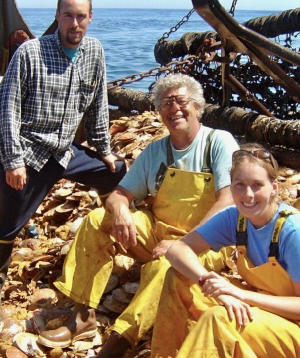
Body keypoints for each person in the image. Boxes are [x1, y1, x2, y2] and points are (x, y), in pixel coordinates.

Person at [37, 73, 239, 356]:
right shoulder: (156, 150)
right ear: (160, 113)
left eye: (181, 101)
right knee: (97, 219)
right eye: (166, 104)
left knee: (165, 267)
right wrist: (119, 209)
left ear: (197, 107)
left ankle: (119, 341)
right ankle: (83, 316)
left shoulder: (218, 142)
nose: (174, 109)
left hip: (207, 243)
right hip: (158, 235)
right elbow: (120, 194)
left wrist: (184, 244)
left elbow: (228, 202)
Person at [0, 0, 126, 295]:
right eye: (68, 16)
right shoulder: (30, 53)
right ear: (57, 16)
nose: (74, 24)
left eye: (81, 16)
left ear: (90, 18)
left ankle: (112, 232)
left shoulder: (94, 52)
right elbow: (8, 109)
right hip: (30, 152)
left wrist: (104, 148)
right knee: (7, 226)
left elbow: (97, 106)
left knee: (115, 170)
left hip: (66, 152)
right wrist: (12, 161)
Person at [151, 143, 300, 358]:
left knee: (219, 317)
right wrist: (207, 282)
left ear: (274, 187)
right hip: (263, 312)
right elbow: (178, 250)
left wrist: (241, 295)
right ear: (230, 187)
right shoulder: (234, 218)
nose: (248, 194)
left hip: (293, 328)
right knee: (179, 277)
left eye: (257, 185)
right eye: (240, 184)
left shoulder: (292, 230)